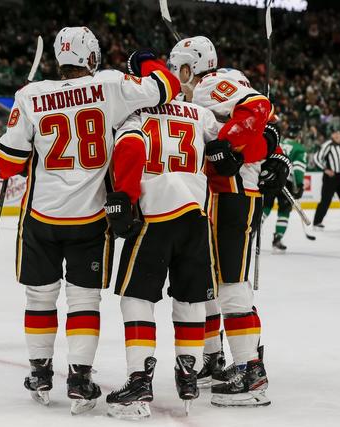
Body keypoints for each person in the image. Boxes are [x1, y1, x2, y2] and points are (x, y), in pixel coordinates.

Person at [0, 27, 180, 414]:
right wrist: (146, 59)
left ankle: (40, 371)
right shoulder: (110, 85)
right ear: (92, 58)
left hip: (41, 215)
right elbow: (168, 85)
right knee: (83, 299)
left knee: (40, 296)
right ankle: (79, 377)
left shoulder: (30, 95)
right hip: (91, 217)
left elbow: (7, 163)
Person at [168, 36, 290, 407]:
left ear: (190, 66)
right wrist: (272, 151)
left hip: (231, 195)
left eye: (178, 67)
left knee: (232, 285)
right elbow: (262, 130)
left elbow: (258, 108)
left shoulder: (210, 84)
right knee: (211, 282)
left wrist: (229, 142)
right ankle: (214, 359)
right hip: (216, 196)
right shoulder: (201, 93)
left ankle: (250, 371)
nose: (175, 74)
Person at [104, 97, 220, 419]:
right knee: (191, 296)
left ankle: (139, 379)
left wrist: (123, 198)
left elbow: (129, 148)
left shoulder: (135, 112)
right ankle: (189, 373)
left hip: (154, 214)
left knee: (136, 297)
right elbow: (226, 143)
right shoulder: (199, 113)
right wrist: (270, 144)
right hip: (196, 216)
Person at [261, 124, 307, 251]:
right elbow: (298, 168)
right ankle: (278, 238)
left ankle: (253, 230)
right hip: (287, 182)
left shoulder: (279, 142)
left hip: (272, 178)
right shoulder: (299, 149)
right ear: (298, 135)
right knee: (284, 211)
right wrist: (300, 185)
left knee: (266, 207)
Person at [313, 128, 340, 230]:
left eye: (339, 133)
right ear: (332, 135)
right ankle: (317, 222)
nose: (337, 135)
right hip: (330, 177)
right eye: (335, 133)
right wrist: (325, 169)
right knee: (326, 200)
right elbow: (316, 158)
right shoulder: (328, 145)